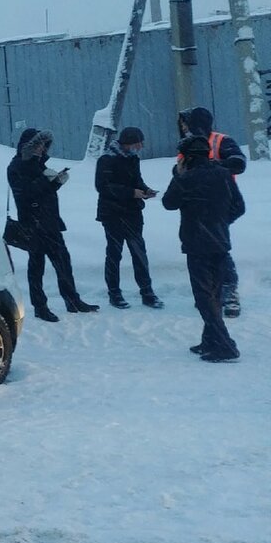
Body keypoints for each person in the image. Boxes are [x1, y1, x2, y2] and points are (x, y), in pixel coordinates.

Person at [162, 135, 244, 362]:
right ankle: (210, 340)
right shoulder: (224, 174)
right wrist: (219, 222)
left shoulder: (186, 178)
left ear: (186, 157)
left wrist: (177, 176)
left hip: (196, 245)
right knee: (214, 294)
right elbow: (239, 207)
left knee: (203, 298)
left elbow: (168, 203)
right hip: (220, 242)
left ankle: (224, 345)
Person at [7, 128, 98, 322]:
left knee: (63, 262)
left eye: (44, 145)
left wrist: (55, 181)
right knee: (37, 267)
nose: (42, 149)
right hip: (33, 224)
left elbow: (42, 191)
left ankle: (72, 300)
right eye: (38, 145)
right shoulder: (16, 166)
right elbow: (26, 194)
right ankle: (40, 307)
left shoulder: (38, 164)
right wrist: (49, 181)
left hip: (50, 222)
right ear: (29, 146)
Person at [178, 107, 246, 317]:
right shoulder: (187, 145)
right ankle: (209, 294)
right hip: (196, 208)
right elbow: (180, 170)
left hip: (221, 204)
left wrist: (210, 167)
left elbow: (238, 163)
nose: (183, 127)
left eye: (185, 123)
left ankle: (229, 292)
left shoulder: (221, 140)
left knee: (218, 250)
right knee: (205, 252)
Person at [94, 126, 162, 309]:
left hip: (133, 213)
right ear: (128, 143)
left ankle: (147, 292)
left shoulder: (132, 158)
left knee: (139, 253)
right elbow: (103, 187)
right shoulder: (106, 159)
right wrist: (132, 193)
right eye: (138, 144)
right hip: (112, 214)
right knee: (114, 254)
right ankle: (114, 293)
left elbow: (136, 180)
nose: (140, 147)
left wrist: (145, 190)